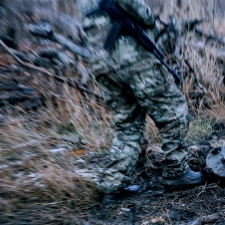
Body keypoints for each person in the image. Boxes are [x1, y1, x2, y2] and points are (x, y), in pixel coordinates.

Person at [76, 0, 204, 197]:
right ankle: (176, 171)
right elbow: (138, 10)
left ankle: (113, 183)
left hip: (100, 60)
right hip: (131, 55)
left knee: (127, 124)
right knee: (173, 110)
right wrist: (150, 18)